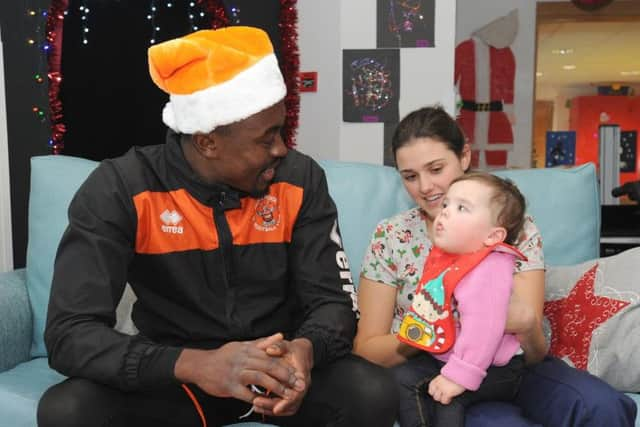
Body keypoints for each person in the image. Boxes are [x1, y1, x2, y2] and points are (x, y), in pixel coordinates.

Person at [37, 26, 398, 427]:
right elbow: (70, 333)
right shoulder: (122, 188)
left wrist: (305, 350)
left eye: (281, 130)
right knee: (68, 411)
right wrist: (197, 365)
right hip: (178, 377)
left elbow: (333, 302)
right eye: (267, 138)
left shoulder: (299, 179)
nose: (282, 148)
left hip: (279, 374)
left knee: (371, 393)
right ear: (208, 142)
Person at [353, 106, 637, 427]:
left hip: (513, 365)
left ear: (464, 157)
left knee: (603, 406)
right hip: (439, 368)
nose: (425, 186)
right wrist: (428, 331)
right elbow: (368, 349)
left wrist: (525, 323)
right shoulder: (393, 236)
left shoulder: (515, 227)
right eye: (410, 176)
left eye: (436, 169)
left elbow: (534, 352)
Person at [395, 171, 528, 427]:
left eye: (462, 208)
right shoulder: (453, 256)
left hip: (495, 366)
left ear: (492, 237)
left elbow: (484, 329)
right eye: (446, 204)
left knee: (448, 398)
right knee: (402, 378)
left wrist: (459, 377)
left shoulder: (489, 268)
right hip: (454, 357)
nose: (445, 212)